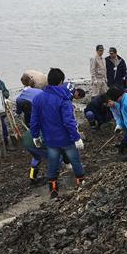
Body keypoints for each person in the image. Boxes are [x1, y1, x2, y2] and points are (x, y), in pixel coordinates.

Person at [30, 68, 85, 198]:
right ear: (61, 81)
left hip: (50, 139)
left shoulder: (38, 99)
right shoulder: (63, 98)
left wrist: (35, 135)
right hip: (66, 139)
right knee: (75, 161)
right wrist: (77, 137)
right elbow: (68, 121)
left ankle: (53, 191)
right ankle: (81, 186)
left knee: (53, 164)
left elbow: (34, 120)